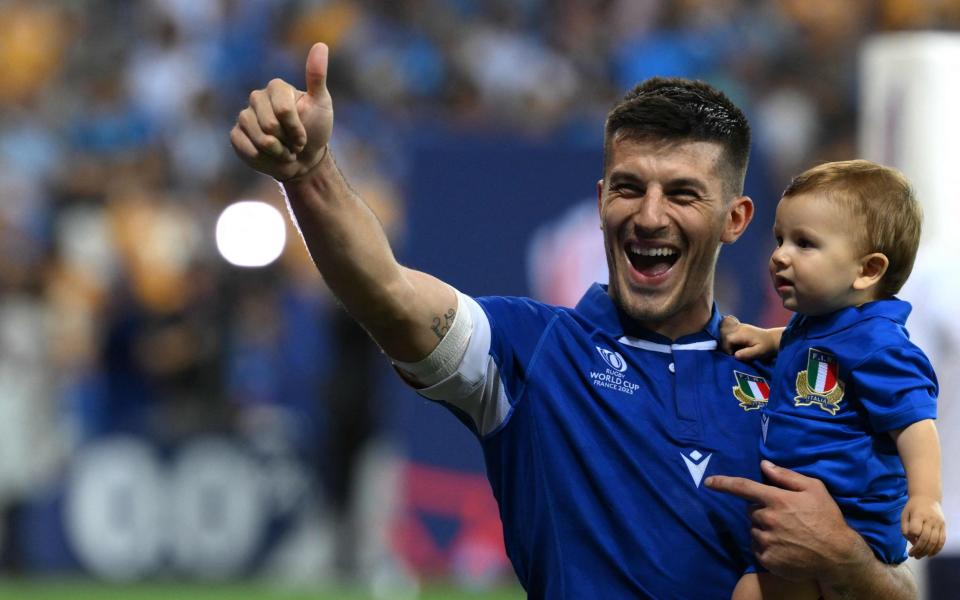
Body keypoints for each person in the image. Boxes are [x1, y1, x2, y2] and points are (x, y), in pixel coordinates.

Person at [230, 43, 918, 599]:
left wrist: (847, 561)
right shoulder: (534, 353)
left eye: (682, 193)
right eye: (628, 187)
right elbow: (385, 290)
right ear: (599, 201)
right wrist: (311, 173)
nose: (649, 215)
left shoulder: (798, 371)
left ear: (734, 219)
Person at [716, 160, 944, 599]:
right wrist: (766, 338)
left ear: (868, 270)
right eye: (780, 239)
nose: (780, 255)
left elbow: (916, 423)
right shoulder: (813, 323)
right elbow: (810, 348)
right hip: (797, 519)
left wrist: (925, 498)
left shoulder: (880, 343)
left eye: (805, 243)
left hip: (851, 519)